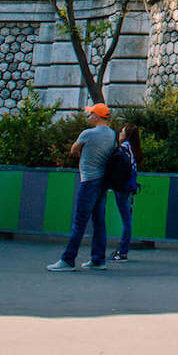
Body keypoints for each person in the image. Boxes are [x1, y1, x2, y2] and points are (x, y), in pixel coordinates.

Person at [46, 102, 116, 271]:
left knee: (80, 221)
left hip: (89, 180)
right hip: (103, 180)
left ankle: (68, 259)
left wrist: (81, 153)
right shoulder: (112, 134)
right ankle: (98, 259)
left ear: (98, 116)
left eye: (91, 114)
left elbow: (73, 149)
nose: (89, 116)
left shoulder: (88, 134)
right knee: (99, 221)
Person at [110, 123, 143, 263]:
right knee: (127, 218)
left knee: (126, 220)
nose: (120, 133)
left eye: (122, 131)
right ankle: (122, 250)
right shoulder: (133, 148)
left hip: (121, 186)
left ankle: (122, 251)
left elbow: (118, 166)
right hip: (129, 186)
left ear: (126, 134)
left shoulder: (124, 148)